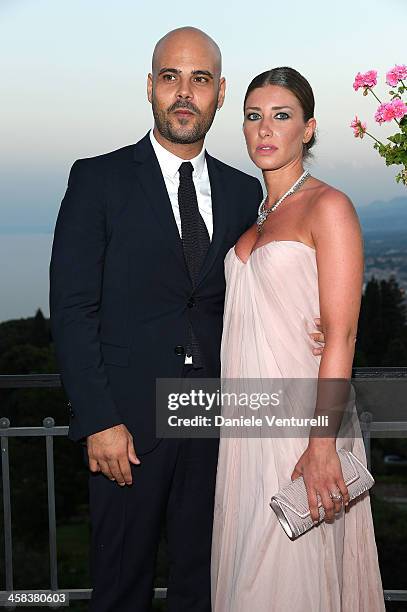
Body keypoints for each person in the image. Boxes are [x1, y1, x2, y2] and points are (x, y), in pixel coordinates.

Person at [49, 29, 324, 611]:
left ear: (219, 93)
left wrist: (313, 325)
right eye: (170, 77)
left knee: (207, 588)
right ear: (150, 87)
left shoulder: (243, 191)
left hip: (219, 433)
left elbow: (259, 288)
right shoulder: (97, 179)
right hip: (126, 433)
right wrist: (98, 419)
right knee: (121, 589)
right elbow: (73, 311)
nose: (183, 93)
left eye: (199, 79)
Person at [211, 67, 386, 611]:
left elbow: (342, 334)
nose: (265, 129)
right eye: (253, 116)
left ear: (307, 130)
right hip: (244, 432)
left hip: (302, 430)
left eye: (281, 116)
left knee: (280, 587)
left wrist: (320, 446)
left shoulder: (328, 207)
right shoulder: (255, 218)